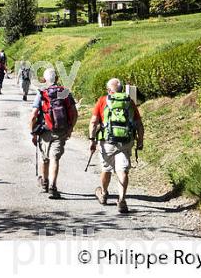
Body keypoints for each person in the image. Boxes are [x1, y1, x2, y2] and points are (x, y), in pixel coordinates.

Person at [88, 78, 144, 214]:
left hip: (107, 142)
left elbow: (94, 121)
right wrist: (140, 140)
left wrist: (92, 139)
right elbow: (138, 124)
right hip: (126, 141)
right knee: (122, 170)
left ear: (109, 90)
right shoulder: (129, 102)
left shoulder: (103, 100)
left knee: (106, 169)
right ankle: (122, 199)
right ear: (121, 89)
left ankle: (104, 193)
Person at [30, 68, 78, 199]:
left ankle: (44, 182)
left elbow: (33, 115)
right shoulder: (64, 92)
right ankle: (53, 186)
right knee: (54, 159)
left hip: (45, 131)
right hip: (61, 131)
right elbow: (74, 113)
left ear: (44, 80)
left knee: (44, 158)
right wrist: (70, 129)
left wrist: (33, 133)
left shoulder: (42, 93)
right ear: (57, 79)